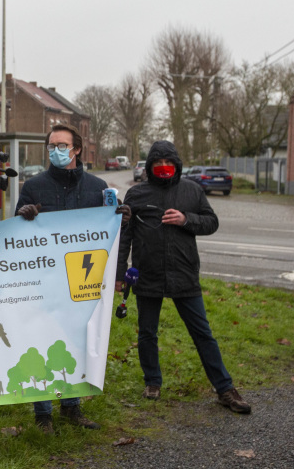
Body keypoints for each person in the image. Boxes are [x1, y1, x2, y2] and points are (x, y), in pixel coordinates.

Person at [115, 140, 251, 414]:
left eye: (168, 164)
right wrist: (120, 275)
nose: (163, 168)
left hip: (184, 273)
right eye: (157, 164)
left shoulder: (192, 190)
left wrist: (186, 219)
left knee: (203, 333)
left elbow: (211, 222)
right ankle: (152, 382)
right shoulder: (136, 194)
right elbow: (125, 236)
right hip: (147, 274)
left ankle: (225, 388)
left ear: (177, 165)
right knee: (147, 333)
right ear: (150, 167)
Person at [15, 124, 131, 434]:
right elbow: (16, 230)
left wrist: (119, 217)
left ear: (76, 149)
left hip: (82, 279)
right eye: (51, 145)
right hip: (46, 279)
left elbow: (106, 231)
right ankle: (43, 415)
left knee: (76, 342)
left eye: (62, 145)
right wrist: (23, 215)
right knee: (41, 341)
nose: (56, 151)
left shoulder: (97, 188)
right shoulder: (34, 187)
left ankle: (71, 407)